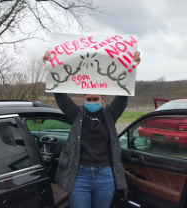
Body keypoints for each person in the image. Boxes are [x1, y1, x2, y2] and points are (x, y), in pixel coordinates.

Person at [43, 50, 141, 208]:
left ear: (103, 98)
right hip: (80, 176)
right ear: (84, 99)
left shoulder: (109, 114)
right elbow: (61, 98)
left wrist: (131, 67)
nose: (92, 101)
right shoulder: (77, 114)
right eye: (88, 99)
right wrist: (52, 67)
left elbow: (123, 97)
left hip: (105, 177)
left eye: (96, 99)